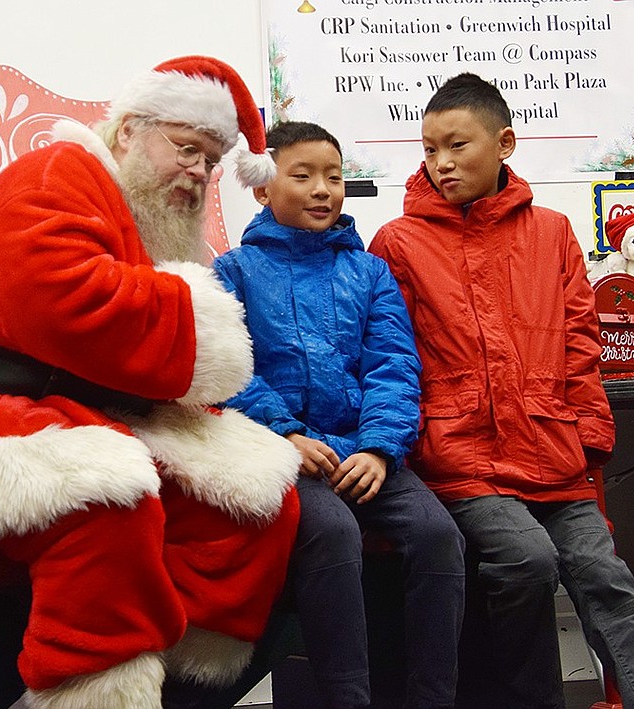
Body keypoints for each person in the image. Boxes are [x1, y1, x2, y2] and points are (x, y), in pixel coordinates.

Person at [0, 55, 302, 709]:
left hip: (82, 407)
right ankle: (90, 690)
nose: (198, 172)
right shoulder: (56, 172)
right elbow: (59, 299)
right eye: (186, 149)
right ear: (128, 132)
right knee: (109, 497)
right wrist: (191, 320)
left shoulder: (141, 217)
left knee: (258, 506)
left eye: (210, 162)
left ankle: (171, 677)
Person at [368, 73, 634, 709]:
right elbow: (390, 357)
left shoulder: (551, 230)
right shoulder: (399, 242)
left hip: (554, 447)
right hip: (463, 457)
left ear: (505, 144)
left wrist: (591, 435)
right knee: (525, 561)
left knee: (608, 579)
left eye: (457, 145)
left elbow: (581, 342)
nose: (441, 163)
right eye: (429, 149)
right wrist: (417, 438)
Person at [214, 121, 465, 709]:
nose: (323, 189)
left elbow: (394, 366)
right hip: (285, 455)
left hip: (363, 449)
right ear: (262, 189)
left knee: (438, 536)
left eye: (334, 176)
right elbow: (229, 374)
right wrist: (287, 436)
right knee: (333, 531)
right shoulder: (233, 273)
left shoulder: (369, 271)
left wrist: (379, 447)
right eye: (302, 176)